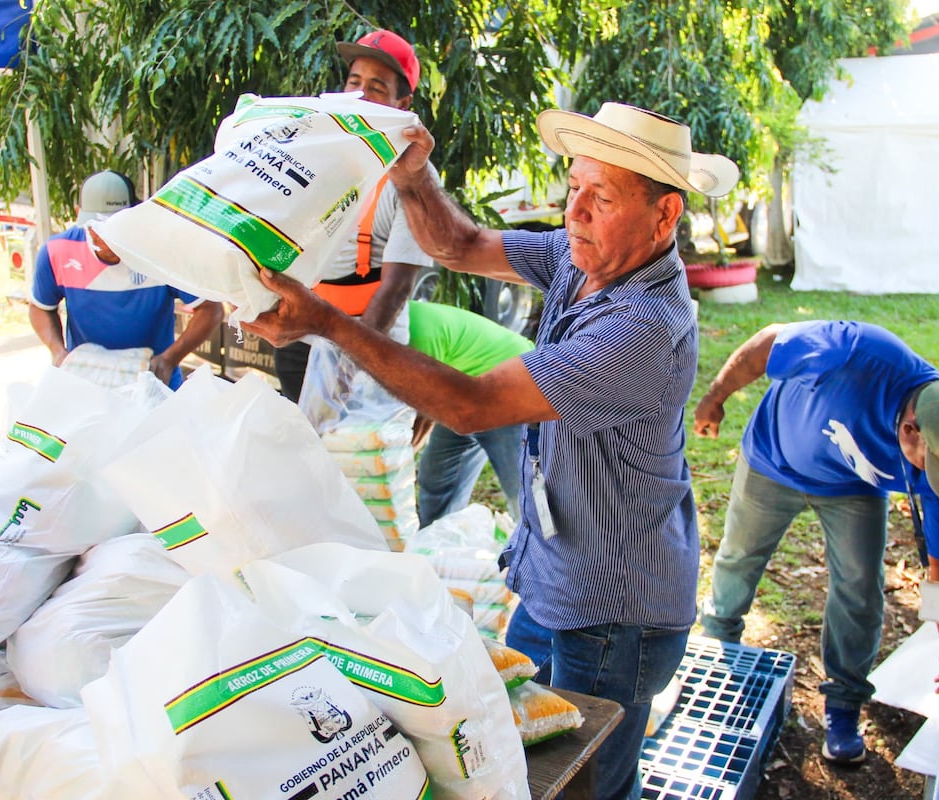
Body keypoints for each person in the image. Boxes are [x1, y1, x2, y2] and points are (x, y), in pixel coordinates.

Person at [244, 102, 740, 799]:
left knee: (587, 784)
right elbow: (459, 243)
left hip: (613, 611)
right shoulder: (583, 259)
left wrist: (330, 323)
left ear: (664, 218)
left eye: (602, 199)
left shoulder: (644, 329)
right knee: (528, 756)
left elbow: (468, 405)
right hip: (554, 574)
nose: (577, 213)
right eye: (574, 189)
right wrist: (414, 178)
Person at [693, 320, 939, 765]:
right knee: (738, 558)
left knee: (861, 587)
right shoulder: (856, 353)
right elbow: (767, 343)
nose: (933, 483)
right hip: (774, 459)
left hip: (852, 487)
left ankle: (844, 703)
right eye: (931, 471)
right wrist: (715, 398)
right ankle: (719, 650)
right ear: (910, 429)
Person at [273, 29, 436, 402]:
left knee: (360, 457)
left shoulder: (412, 175)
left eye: (377, 87)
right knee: (301, 452)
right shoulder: (314, 152)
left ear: (402, 102)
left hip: (372, 344)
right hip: (301, 339)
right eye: (354, 82)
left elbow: (396, 286)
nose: (360, 95)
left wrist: (350, 362)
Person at [28, 170, 223, 389]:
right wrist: (58, 351)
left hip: (154, 383)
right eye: (96, 227)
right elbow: (41, 307)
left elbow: (210, 309)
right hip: (87, 383)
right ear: (79, 215)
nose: (105, 238)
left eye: (115, 227)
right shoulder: (57, 252)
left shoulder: (161, 252)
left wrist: (169, 360)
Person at [407, 300, 533, 526]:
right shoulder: (393, 324)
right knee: (436, 477)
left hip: (510, 385)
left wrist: (404, 451)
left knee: (523, 487)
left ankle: (543, 552)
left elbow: (426, 405)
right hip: (461, 391)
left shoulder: (417, 332)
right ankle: (437, 545)